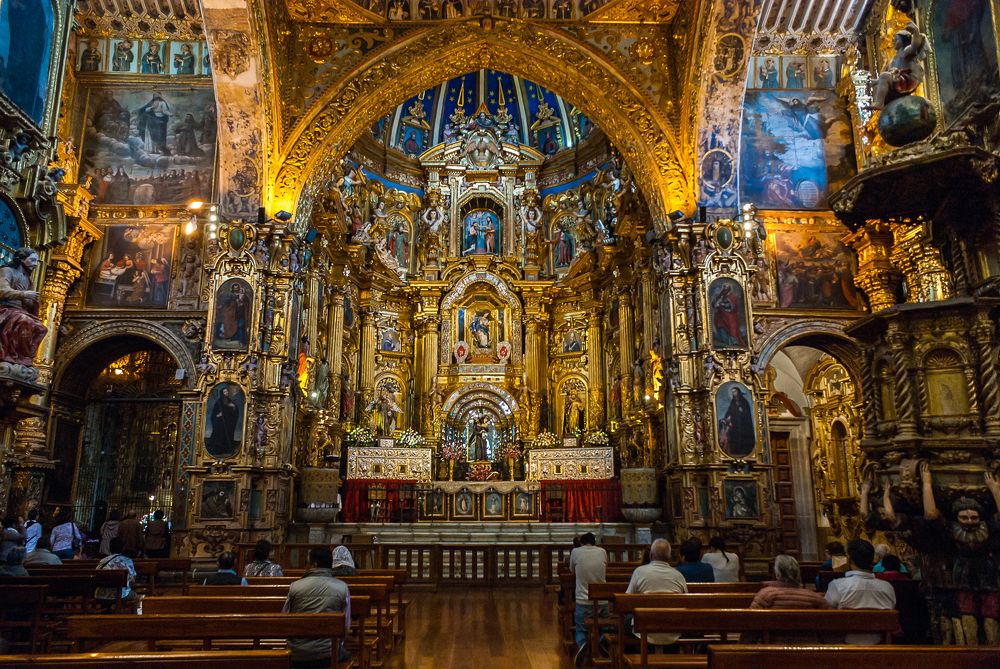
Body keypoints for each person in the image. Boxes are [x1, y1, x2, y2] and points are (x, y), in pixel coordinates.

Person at [283, 547, 351, 668]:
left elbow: (284, 618)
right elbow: (346, 626)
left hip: (297, 654)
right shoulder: (342, 587)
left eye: (307, 562)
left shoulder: (295, 587)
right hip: (329, 654)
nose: (306, 565)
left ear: (314, 564)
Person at [824, 539, 896, 644]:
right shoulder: (887, 587)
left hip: (846, 646)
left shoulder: (837, 585)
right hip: (879, 646)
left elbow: (827, 616)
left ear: (849, 559)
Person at [625, 539, 688, 649]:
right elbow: (686, 603)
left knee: (626, 621)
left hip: (644, 631)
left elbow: (626, 601)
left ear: (651, 555)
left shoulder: (639, 572)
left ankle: (634, 656)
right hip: (672, 631)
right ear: (669, 557)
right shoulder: (678, 575)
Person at [0, 248, 48, 367]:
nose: (35, 264)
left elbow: (28, 304)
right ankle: (11, 354)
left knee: (41, 328)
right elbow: (2, 290)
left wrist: (31, 301)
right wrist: (23, 294)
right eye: (32, 260)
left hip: (19, 311)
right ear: (21, 259)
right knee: (24, 320)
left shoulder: (28, 279)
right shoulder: (7, 271)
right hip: (5, 308)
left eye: (36, 261)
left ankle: (23, 356)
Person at [569, 532, 607, 666]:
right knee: (605, 626)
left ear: (582, 543)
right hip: (602, 600)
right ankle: (601, 641)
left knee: (580, 628)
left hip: (583, 599)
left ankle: (583, 643)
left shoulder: (576, 552)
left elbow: (572, 570)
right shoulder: (602, 552)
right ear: (594, 542)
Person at [752, 555, 829, 610]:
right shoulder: (814, 597)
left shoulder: (765, 595)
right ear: (798, 573)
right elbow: (829, 617)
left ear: (777, 574)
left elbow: (752, 618)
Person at [95, 537, 136, 605]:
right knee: (135, 596)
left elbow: (96, 575)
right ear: (123, 548)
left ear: (110, 548)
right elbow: (132, 580)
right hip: (121, 595)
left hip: (101, 595)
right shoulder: (127, 561)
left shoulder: (103, 561)